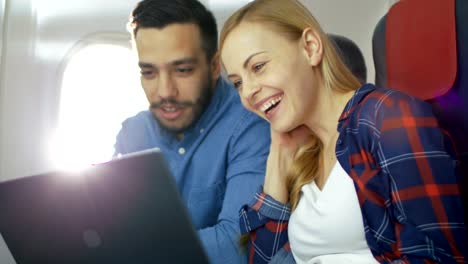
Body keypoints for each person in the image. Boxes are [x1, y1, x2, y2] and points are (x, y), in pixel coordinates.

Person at [219, 0, 467, 263]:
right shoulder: (300, 150)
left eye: (258, 67)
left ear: (310, 47)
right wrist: (278, 160)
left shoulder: (385, 117)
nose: (247, 92)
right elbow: (262, 259)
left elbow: (437, 257)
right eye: (237, 83)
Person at [114, 0, 270, 263]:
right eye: (149, 72)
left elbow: (238, 244)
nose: (165, 92)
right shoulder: (133, 132)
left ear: (213, 66)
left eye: (182, 70)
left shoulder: (251, 125)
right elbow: (114, 228)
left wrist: (138, 249)